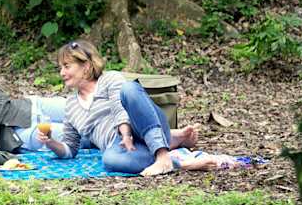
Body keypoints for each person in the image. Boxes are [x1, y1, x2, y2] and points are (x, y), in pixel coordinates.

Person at [38, 39, 199, 176]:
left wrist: (126, 134)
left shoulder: (109, 79)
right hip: (120, 146)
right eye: (60, 67)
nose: (62, 72)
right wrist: (50, 142)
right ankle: (173, 150)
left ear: (86, 66)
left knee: (129, 89)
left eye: (67, 66)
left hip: (137, 124)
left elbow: (119, 108)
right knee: (110, 160)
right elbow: (70, 149)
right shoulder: (71, 105)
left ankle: (163, 156)